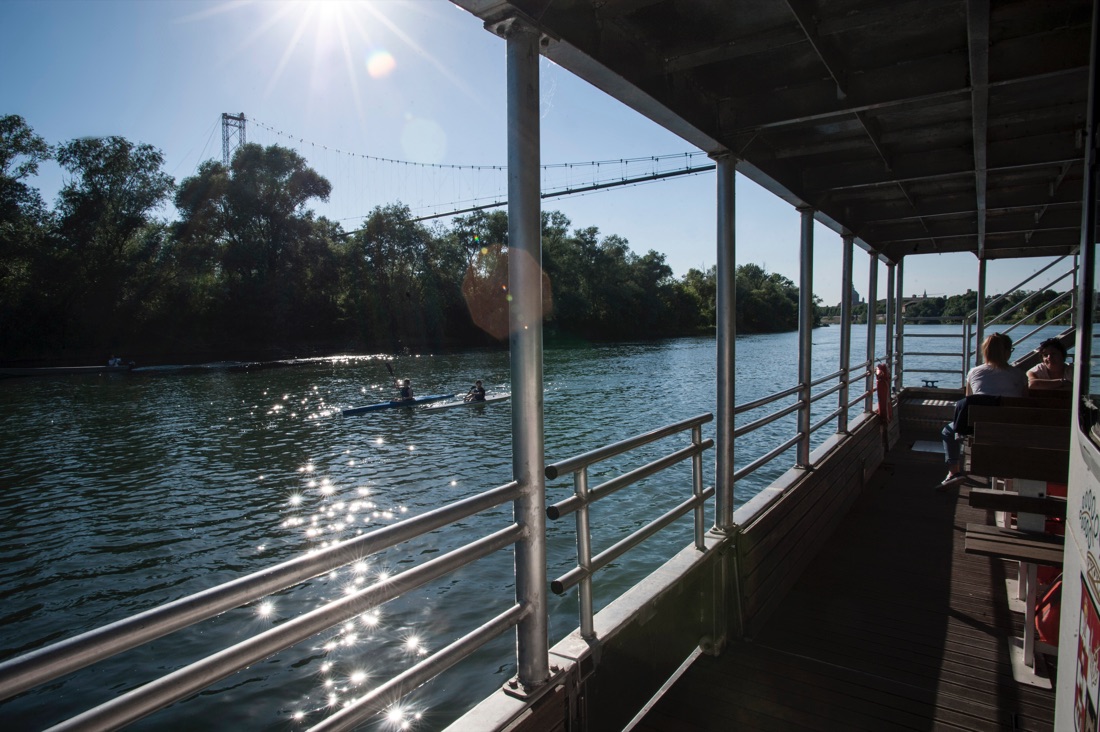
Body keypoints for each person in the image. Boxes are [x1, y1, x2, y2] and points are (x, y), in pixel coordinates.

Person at [939, 332, 1028, 489]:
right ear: (1006, 352)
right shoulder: (1020, 375)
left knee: (948, 431)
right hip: (1011, 430)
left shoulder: (974, 372)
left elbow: (969, 400)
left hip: (980, 429)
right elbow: (1024, 403)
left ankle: (954, 472)